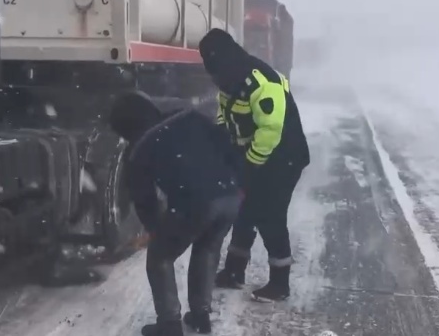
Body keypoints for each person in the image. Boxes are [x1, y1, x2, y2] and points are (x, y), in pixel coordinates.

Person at [108, 91, 242, 336]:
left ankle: (169, 325)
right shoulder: (191, 118)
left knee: (159, 257)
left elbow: (144, 199)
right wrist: (238, 182)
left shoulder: (139, 151)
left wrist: (156, 231)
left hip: (197, 202)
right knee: (207, 248)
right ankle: (201, 316)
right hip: (229, 196)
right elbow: (226, 143)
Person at [198, 28, 310, 302]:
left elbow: (270, 131)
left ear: (226, 59)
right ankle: (234, 272)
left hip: (284, 157)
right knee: (245, 210)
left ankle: (280, 283)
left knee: (270, 215)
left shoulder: (262, 81)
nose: (214, 78)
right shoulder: (228, 80)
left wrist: (248, 167)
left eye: (215, 70)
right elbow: (224, 114)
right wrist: (225, 144)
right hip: (256, 154)